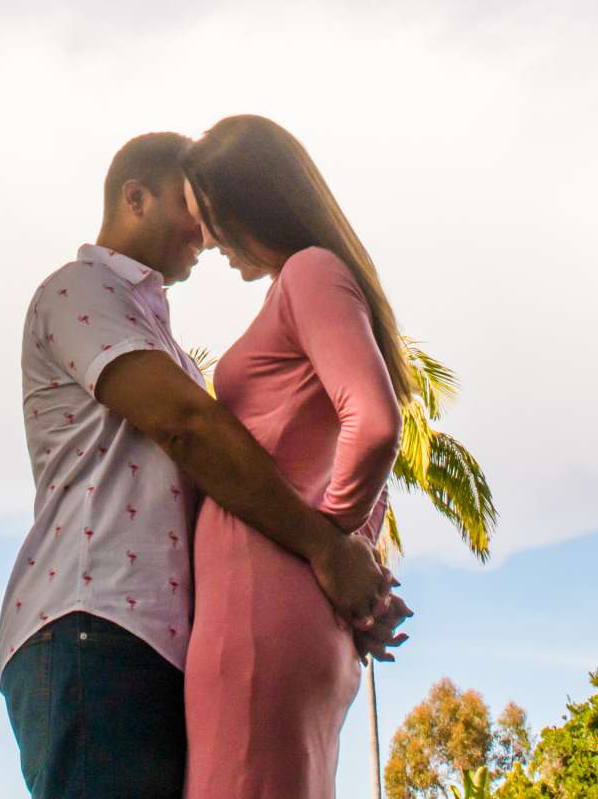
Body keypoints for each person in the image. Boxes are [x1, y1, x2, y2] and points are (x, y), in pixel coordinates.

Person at [0, 132, 407, 799]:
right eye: (194, 214)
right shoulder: (82, 291)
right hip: (92, 621)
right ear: (136, 197)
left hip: (159, 638)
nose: (208, 237)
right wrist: (326, 550)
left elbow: (264, 466)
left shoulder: (161, 339)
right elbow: (188, 428)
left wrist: (347, 580)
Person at [180, 115, 410, 799]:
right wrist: (350, 569)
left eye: (215, 218)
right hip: (291, 614)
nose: (212, 241)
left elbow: (372, 425)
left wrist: (330, 543)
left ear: (257, 203)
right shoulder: (317, 282)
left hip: (259, 613)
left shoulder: (309, 273)